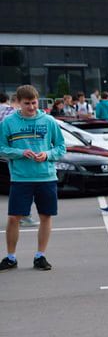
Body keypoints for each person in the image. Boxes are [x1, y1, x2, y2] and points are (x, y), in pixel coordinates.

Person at [0, 85, 66, 272]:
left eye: (34, 103)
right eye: (27, 103)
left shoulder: (49, 121)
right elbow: (1, 148)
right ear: (18, 103)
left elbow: (61, 148)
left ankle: (40, 256)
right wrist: (20, 152)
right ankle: (11, 257)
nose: (31, 107)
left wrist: (47, 154)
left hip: (46, 177)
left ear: (38, 101)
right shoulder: (8, 122)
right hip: (20, 179)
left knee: (45, 216)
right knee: (14, 218)